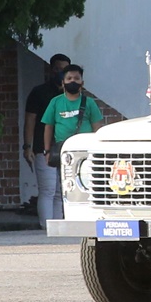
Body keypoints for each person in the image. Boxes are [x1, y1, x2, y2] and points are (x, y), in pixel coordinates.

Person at [41, 64, 102, 219]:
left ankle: (89, 216)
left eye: (76, 78)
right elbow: (48, 127)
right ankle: (67, 216)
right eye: (69, 78)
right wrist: (47, 150)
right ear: (63, 82)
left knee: (89, 183)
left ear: (82, 82)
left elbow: (97, 128)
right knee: (65, 185)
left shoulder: (89, 103)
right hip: (64, 152)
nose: (72, 81)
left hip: (86, 152)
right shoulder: (55, 102)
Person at [22, 53, 70, 222]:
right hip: (44, 147)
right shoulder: (39, 92)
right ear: (51, 70)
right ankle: (45, 228)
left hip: (66, 148)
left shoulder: (71, 94)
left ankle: (57, 227)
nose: (60, 73)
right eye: (57, 69)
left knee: (61, 191)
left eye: (64, 70)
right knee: (48, 189)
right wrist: (27, 146)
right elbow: (30, 120)